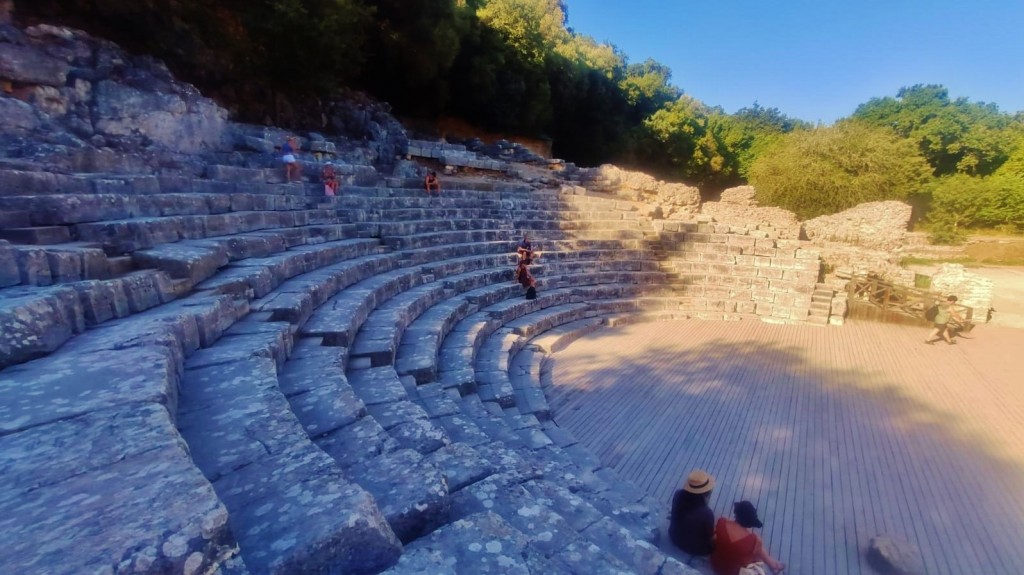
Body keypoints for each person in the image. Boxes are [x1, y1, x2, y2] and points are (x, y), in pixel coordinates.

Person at [710, 501, 785, 575]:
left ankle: (772, 564)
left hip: (716, 564)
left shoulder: (722, 522)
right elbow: (761, 555)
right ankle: (774, 565)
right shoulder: (753, 540)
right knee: (757, 552)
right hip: (734, 572)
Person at [668, 470, 716, 560]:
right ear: (706, 493)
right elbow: (708, 535)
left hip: (674, 536)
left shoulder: (678, 494)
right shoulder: (707, 513)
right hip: (694, 549)